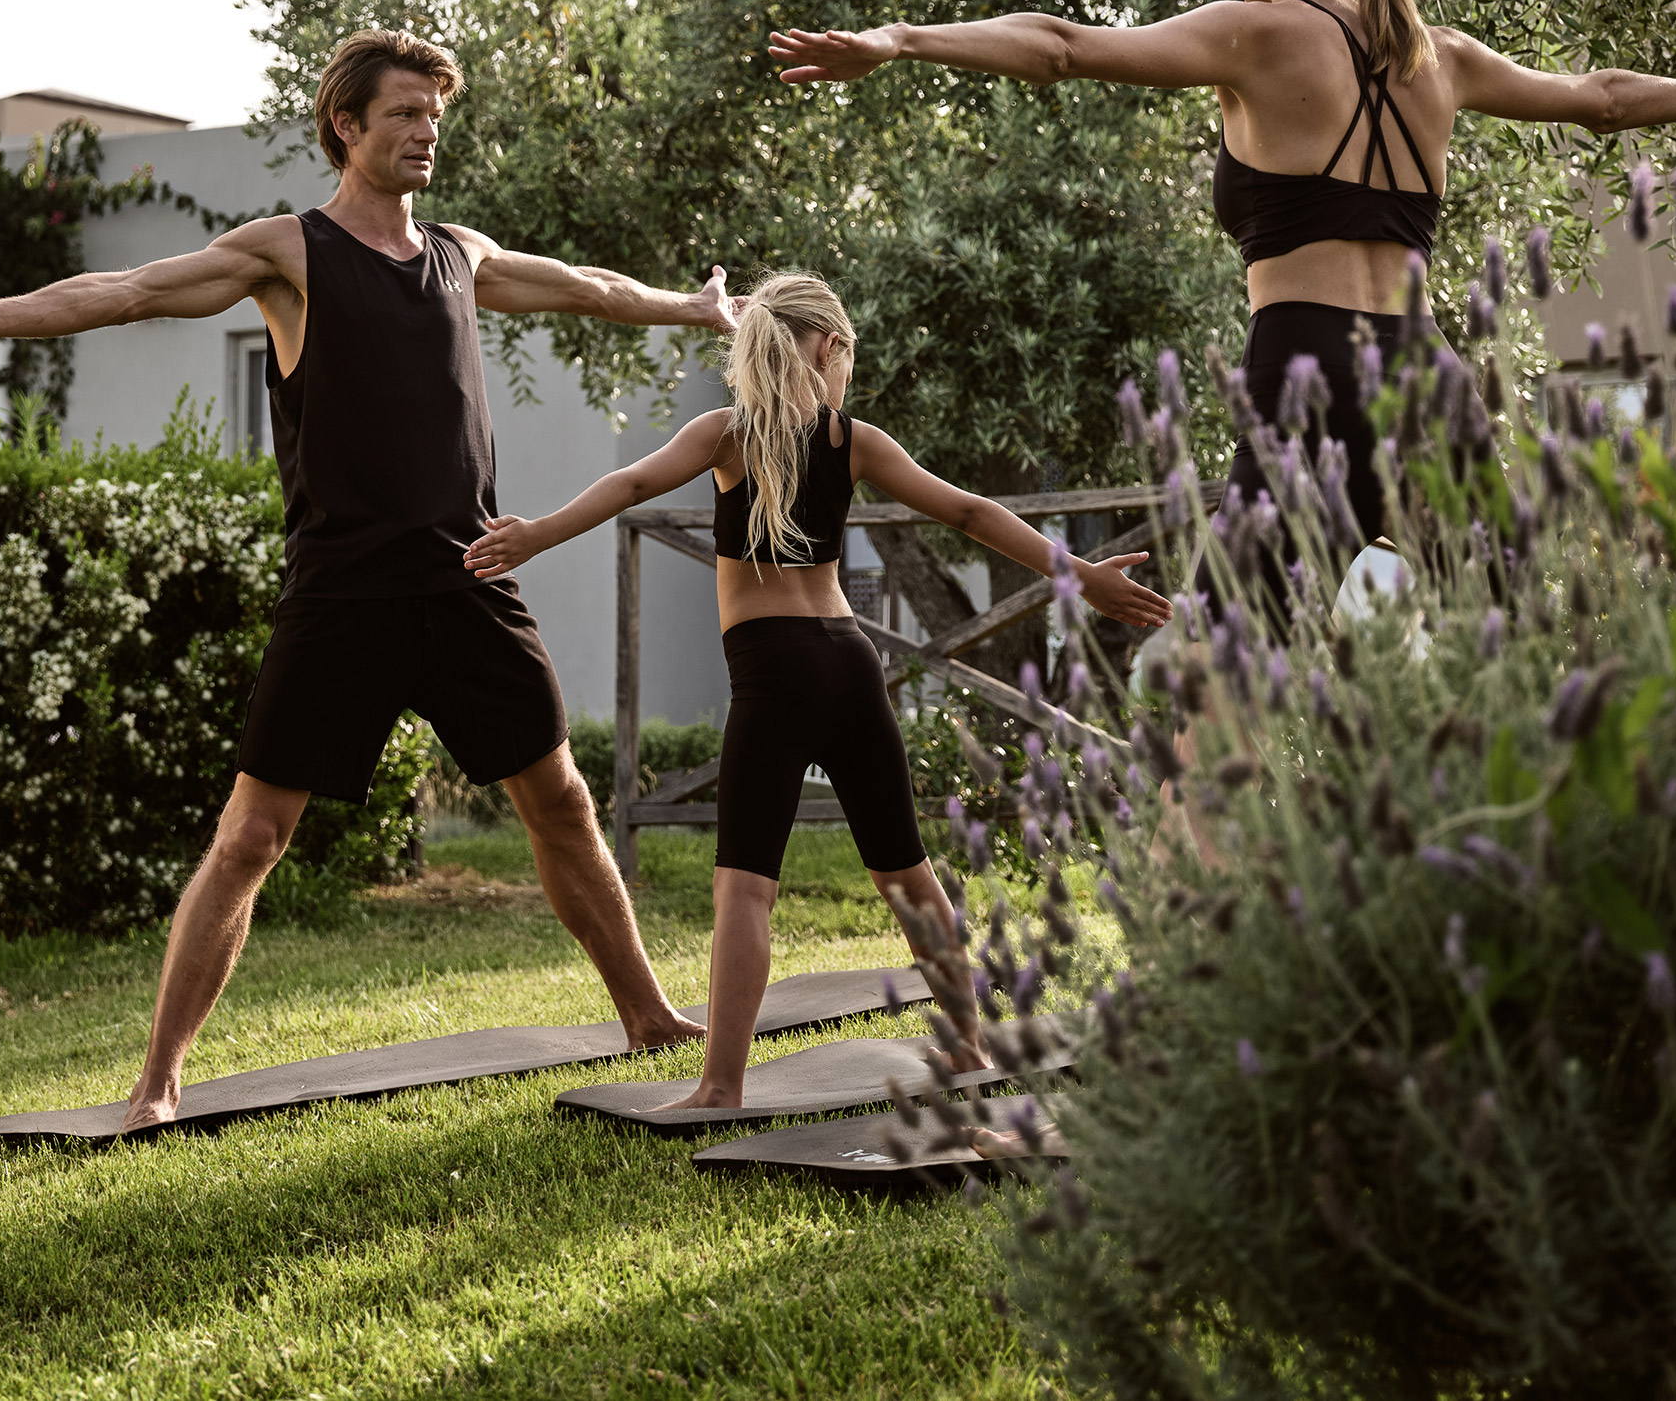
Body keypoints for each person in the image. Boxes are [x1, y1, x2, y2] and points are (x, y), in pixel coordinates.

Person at [0, 28, 735, 1128]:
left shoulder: (461, 252)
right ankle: (159, 1080)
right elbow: (130, 289)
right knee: (252, 835)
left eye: (435, 116)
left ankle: (646, 1012)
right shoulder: (292, 253)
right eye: (404, 114)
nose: (425, 132)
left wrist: (690, 309)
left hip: (469, 577)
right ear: (346, 127)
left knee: (557, 797)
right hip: (343, 593)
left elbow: (587, 289)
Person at [768, 0, 1676, 587]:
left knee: (1222, 677)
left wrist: (903, 41)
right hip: (1426, 373)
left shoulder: (1259, 36)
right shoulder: (1441, 60)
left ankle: (1213, 916)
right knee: (1505, 640)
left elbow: (1060, 47)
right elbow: (1606, 103)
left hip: (1305, 368)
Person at [461, 272, 1171, 1110]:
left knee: (745, 890)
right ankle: (972, 1045)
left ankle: (720, 1086)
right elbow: (973, 513)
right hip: (849, 659)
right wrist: (1081, 575)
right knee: (907, 874)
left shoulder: (725, 434)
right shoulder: (852, 440)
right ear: (829, 345)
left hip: (773, 671)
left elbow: (630, 486)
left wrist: (536, 535)